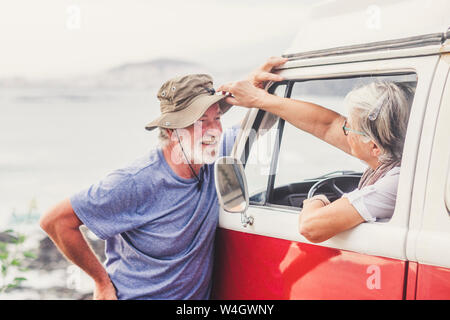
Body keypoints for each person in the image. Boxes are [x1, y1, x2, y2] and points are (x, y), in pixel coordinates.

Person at [40, 74, 238, 300]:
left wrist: (262, 84)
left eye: (218, 119)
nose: (215, 131)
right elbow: (55, 221)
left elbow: (260, 119)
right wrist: (101, 281)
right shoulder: (136, 181)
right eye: (201, 121)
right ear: (173, 131)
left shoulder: (213, 158)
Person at [218, 57, 414, 244]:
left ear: (373, 146)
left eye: (348, 127)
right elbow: (327, 125)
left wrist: (316, 199)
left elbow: (310, 227)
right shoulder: (396, 154)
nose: (343, 131)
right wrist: (259, 98)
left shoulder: (394, 184)